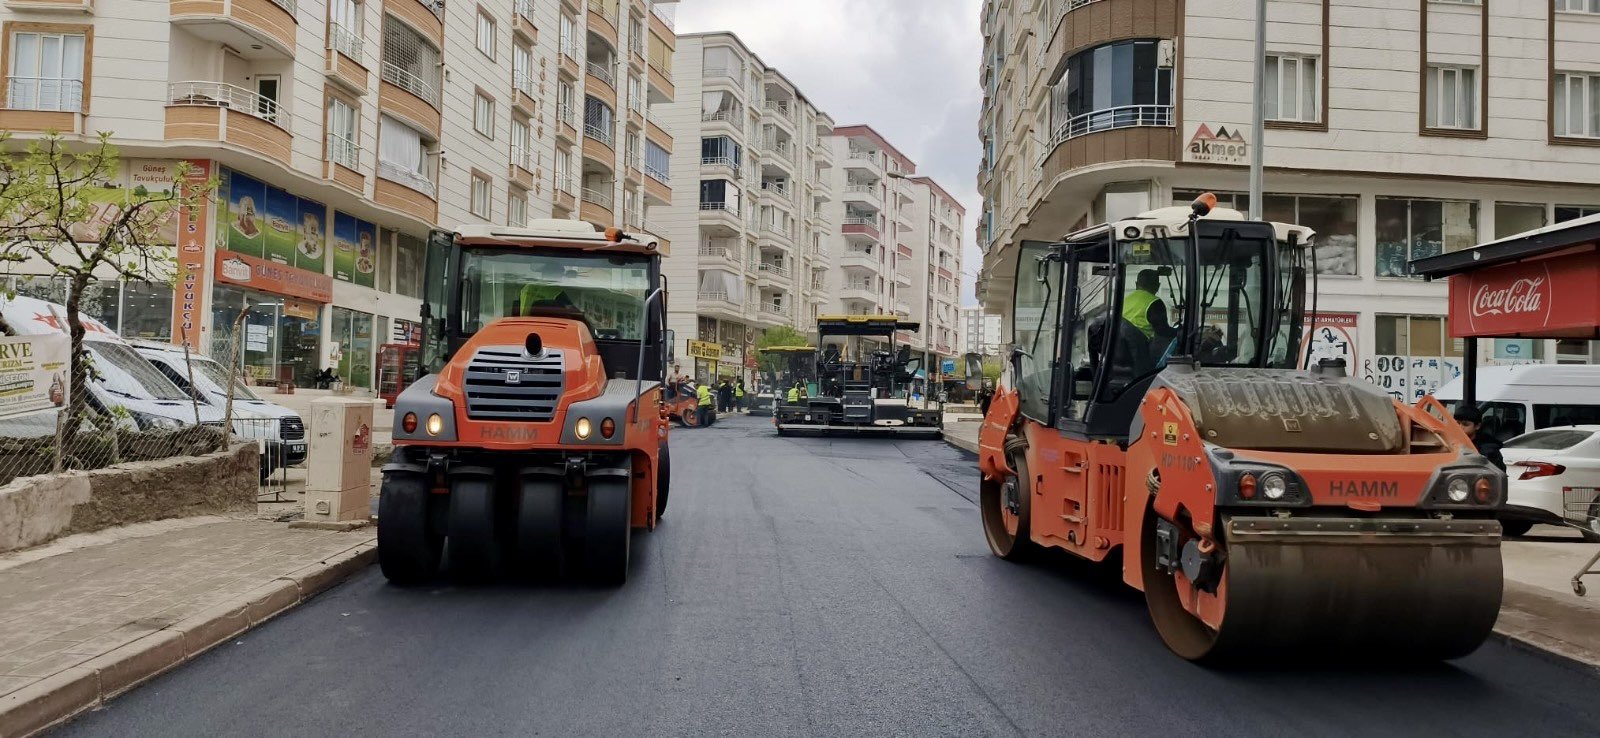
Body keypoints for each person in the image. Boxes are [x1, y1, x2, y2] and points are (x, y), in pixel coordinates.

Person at [1123, 269, 1177, 346]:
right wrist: (1179, 332)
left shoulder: (1126, 300)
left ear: (1136, 284)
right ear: (1158, 286)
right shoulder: (1154, 302)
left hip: (1121, 348)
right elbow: (1163, 332)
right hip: (1140, 349)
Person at [1454, 405, 1505, 471]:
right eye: (1457, 423)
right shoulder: (1449, 442)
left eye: (1465, 424)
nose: (1460, 427)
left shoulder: (1488, 450)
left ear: (1477, 426)